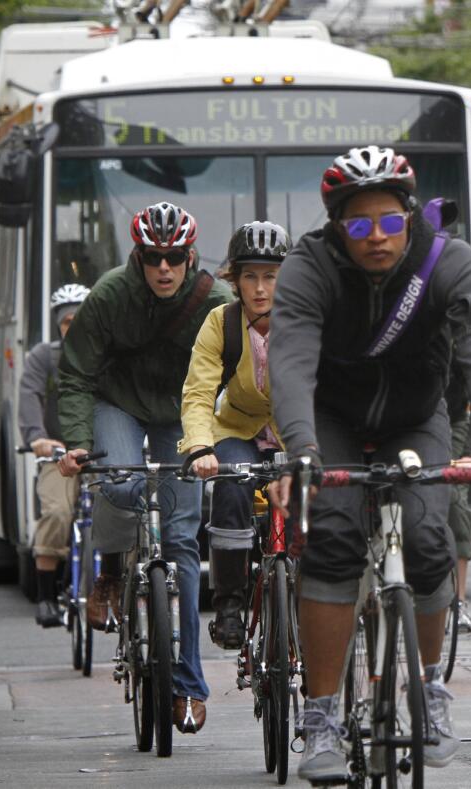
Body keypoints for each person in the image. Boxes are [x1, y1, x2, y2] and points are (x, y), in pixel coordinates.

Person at [267, 145, 471, 783]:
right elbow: (292, 362)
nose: (376, 237)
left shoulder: (448, 261)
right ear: (337, 227)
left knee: (429, 538)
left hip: (417, 417)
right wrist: (300, 449)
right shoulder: (308, 266)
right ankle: (321, 715)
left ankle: (431, 691)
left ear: (411, 215)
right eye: (359, 225)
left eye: (389, 221)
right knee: (329, 539)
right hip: (331, 420)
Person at [57, 201, 233, 734]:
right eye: (153, 257)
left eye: (174, 257)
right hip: (121, 404)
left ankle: (187, 689)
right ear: (139, 255)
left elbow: (242, 372)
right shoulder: (110, 294)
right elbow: (76, 375)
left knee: (180, 546)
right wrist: (77, 443)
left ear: (189, 256)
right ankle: (111, 572)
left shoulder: (217, 301)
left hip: (186, 413)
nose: (164, 268)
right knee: (121, 481)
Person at [178, 221, 290, 649]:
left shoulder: (304, 320)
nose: (260, 288)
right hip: (238, 428)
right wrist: (201, 446)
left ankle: (311, 594)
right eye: (249, 276)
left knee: (318, 496)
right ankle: (229, 604)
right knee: (230, 482)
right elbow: (198, 391)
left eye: (271, 276)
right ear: (235, 280)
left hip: (294, 431)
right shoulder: (220, 322)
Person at [18, 283, 89, 628]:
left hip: (99, 453)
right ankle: (46, 596)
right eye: (67, 322)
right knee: (58, 513)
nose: (74, 328)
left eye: (81, 320)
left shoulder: (110, 355)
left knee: (127, 509)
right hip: (59, 454)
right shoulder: (43, 357)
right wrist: (38, 438)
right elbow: (30, 396)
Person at [445, 356, 471, 635]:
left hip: (454, 421)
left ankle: (459, 602)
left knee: (455, 503)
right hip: (398, 424)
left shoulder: (459, 326)